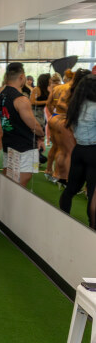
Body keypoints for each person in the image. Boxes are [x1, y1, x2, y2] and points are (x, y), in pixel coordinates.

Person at [0, 63, 45, 188]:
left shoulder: (1, 94)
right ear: (22, 77)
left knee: (10, 180)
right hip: (23, 146)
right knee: (20, 184)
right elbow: (33, 125)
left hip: (10, 143)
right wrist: (41, 135)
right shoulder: (20, 99)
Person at [60, 74, 96, 229]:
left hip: (79, 150)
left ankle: (62, 217)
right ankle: (92, 228)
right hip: (93, 151)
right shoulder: (94, 107)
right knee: (92, 193)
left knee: (71, 189)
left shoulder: (75, 106)